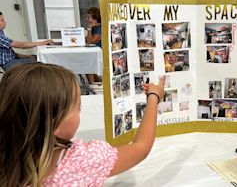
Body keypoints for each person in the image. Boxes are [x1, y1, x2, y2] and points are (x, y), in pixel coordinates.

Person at [0, 62, 165, 186]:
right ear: (54, 122)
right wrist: (153, 97)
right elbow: (141, 147)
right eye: (78, 108)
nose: (80, 112)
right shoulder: (83, 161)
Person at [85, 7, 102, 84]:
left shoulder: (99, 28)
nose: (87, 19)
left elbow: (90, 42)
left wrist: (89, 29)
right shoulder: (95, 28)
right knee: (86, 62)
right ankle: (96, 83)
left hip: (101, 55)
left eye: (89, 17)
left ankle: (92, 85)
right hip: (95, 54)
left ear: (95, 18)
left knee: (87, 63)